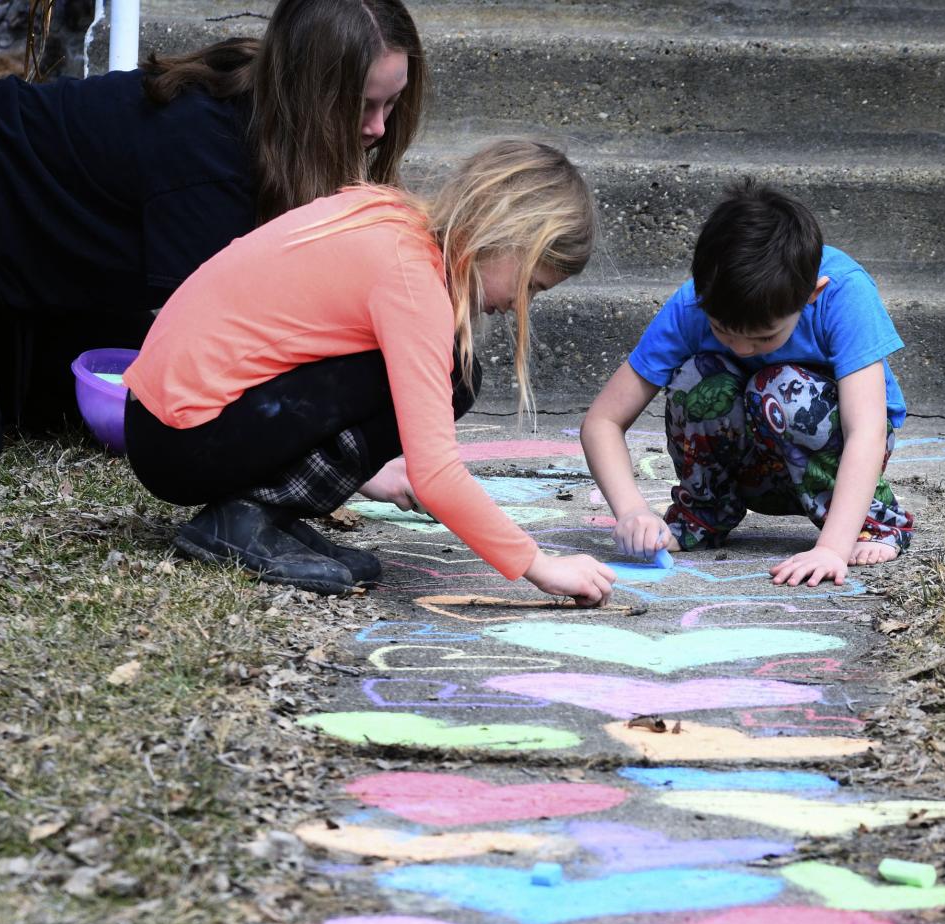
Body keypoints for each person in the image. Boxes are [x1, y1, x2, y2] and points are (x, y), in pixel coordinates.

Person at [0, 0, 425, 461]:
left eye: (391, 103)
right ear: (307, 93)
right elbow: (235, 347)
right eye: (359, 106)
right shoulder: (208, 160)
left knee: (76, 411)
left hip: (31, 252)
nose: (377, 127)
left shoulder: (271, 110)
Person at [122, 138, 617, 603]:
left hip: (165, 424)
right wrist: (540, 564)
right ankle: (247, 516)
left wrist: (369, 471)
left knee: (455, 371)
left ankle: (268, 512)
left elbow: (294, 347)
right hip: (182, 442)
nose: (516, 305)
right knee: (455, 377)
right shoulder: (412, 284)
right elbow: (437, 474)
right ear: (511, 237)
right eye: (530, 286)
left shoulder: (392, 219)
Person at [580, 178, 914, 587]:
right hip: (750, 465)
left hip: (833, 462)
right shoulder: (693, 304)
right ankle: (705, 515)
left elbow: (867, 429)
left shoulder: (843, 293)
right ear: (702, 295)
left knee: (777, 385)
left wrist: (833, 548)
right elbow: (603, 422)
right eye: (722, 329)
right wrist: (631, 510)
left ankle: (874, 523)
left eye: (764, 337)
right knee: (696, 376)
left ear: (811, 294)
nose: (741, 348)